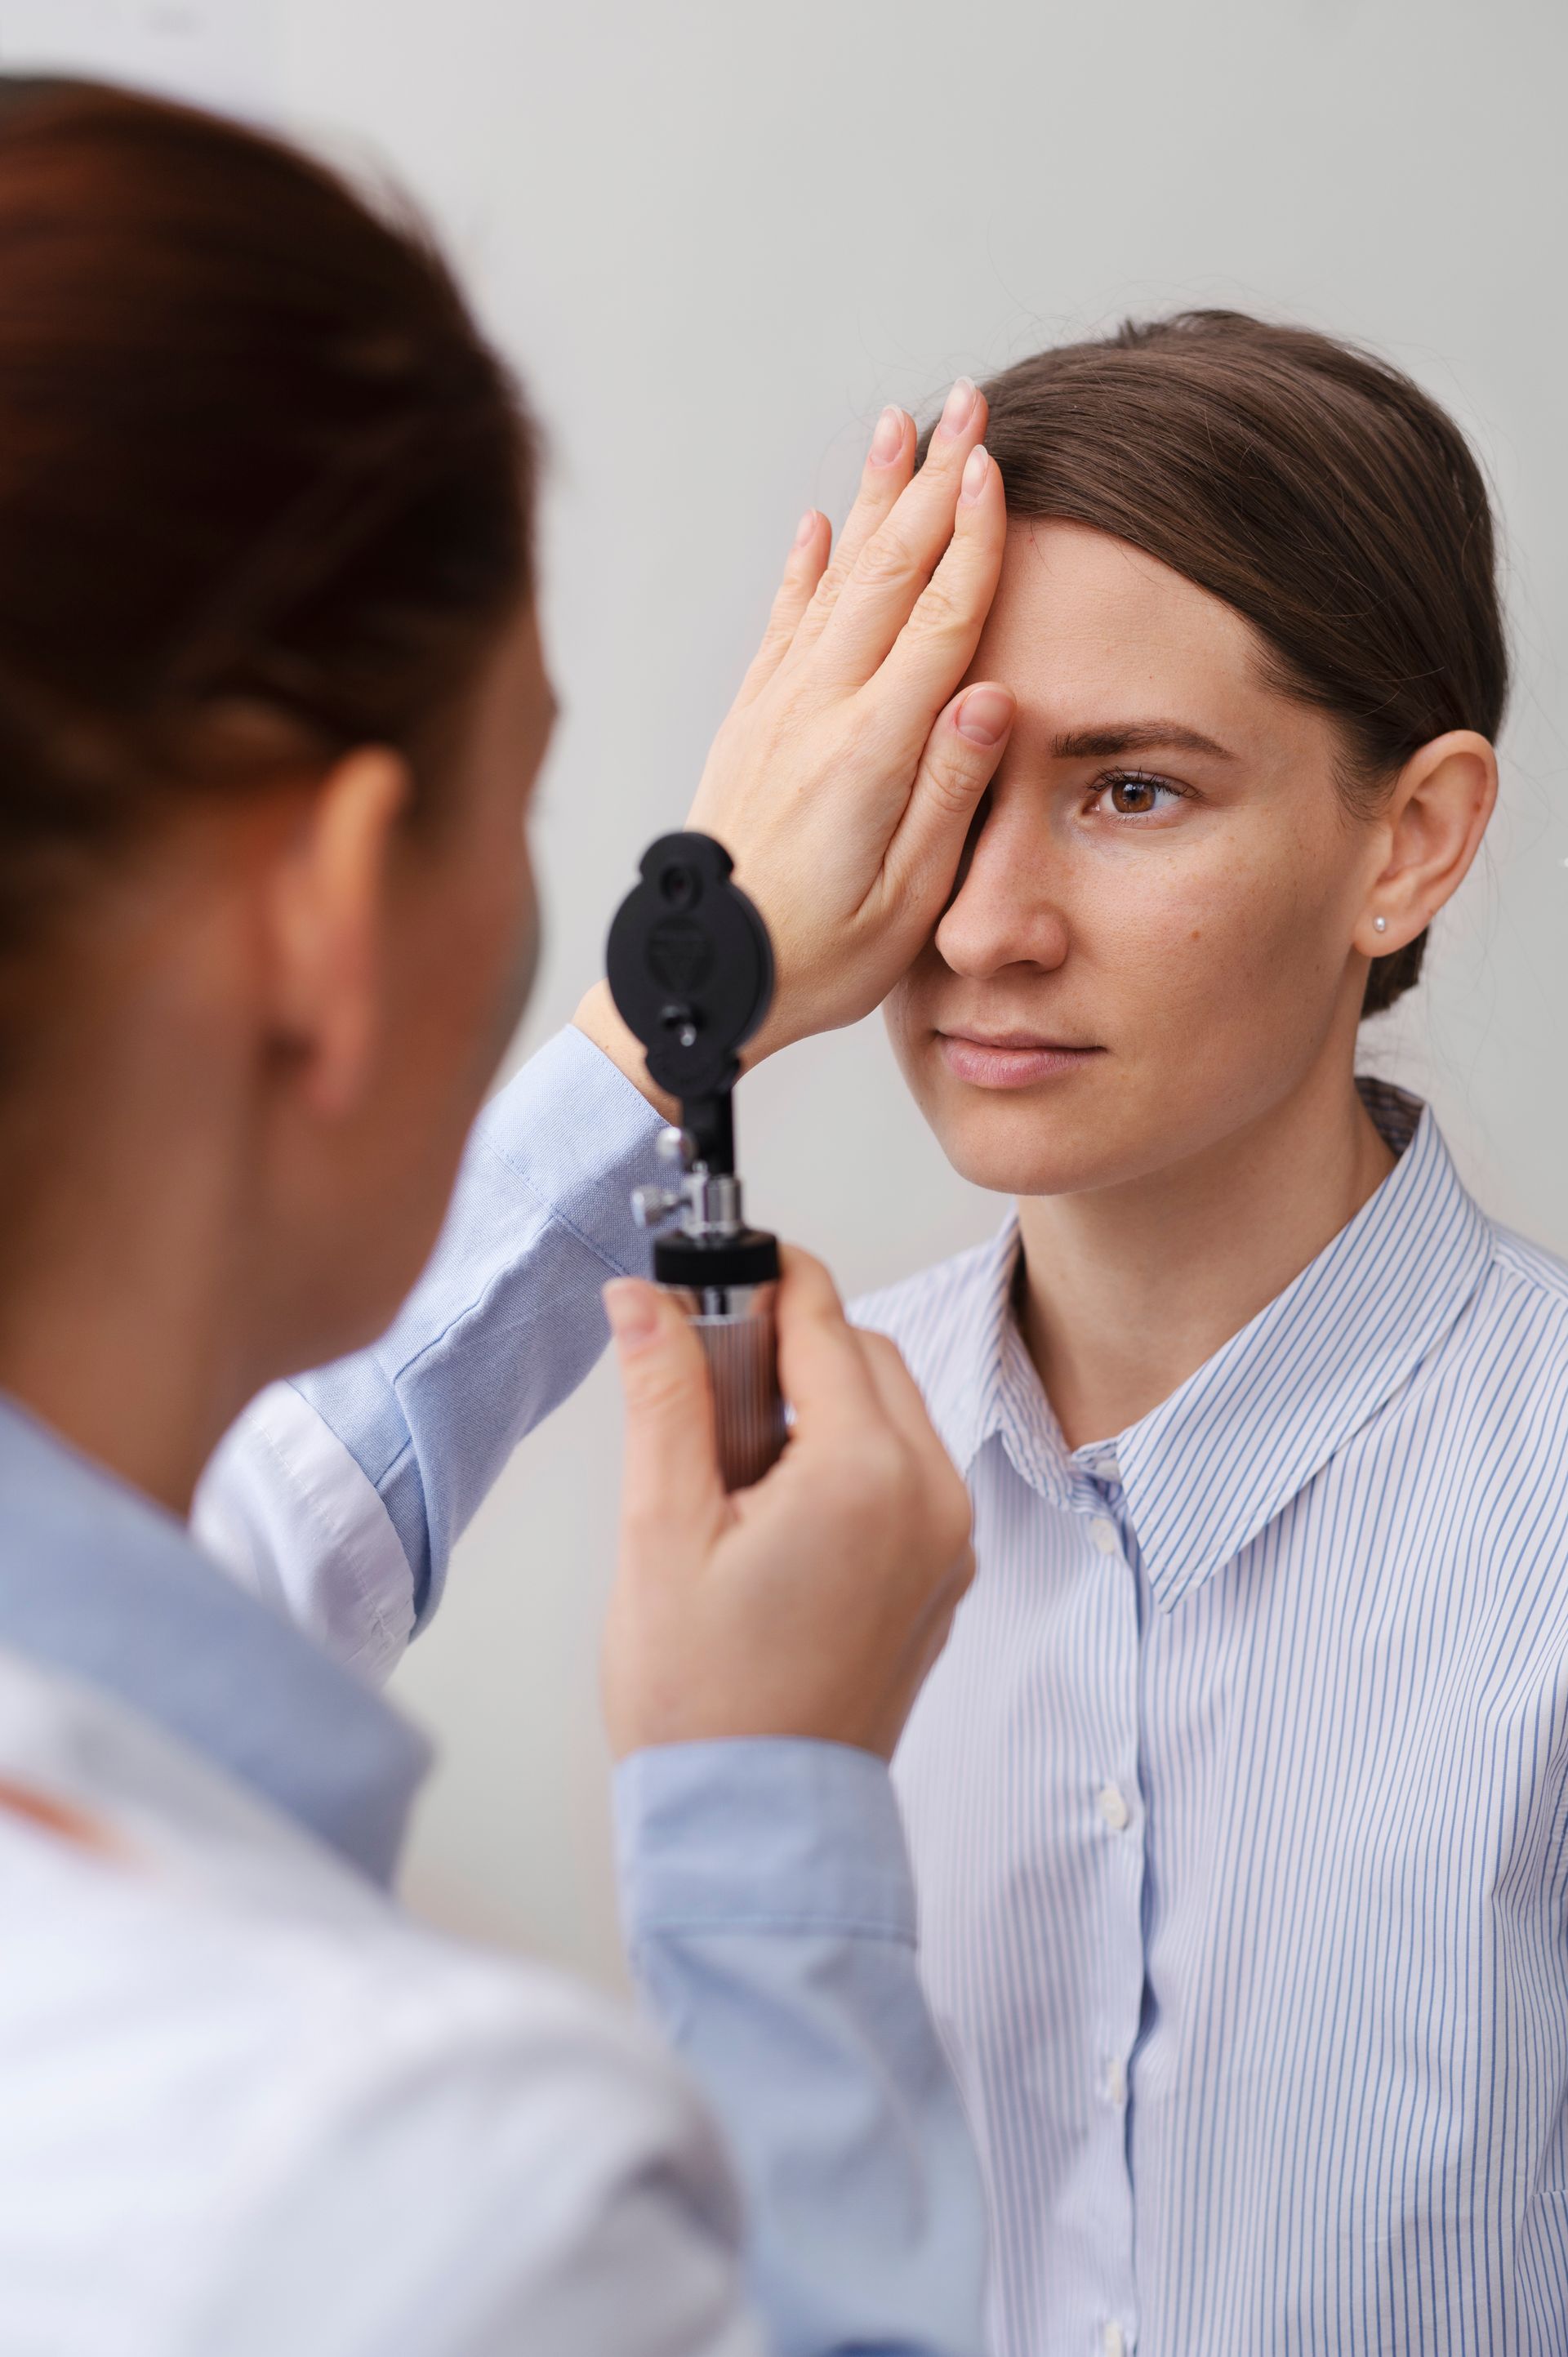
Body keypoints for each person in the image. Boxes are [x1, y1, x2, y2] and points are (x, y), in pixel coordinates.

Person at [212, 305, 1568, 2356]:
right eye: (935, 791)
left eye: (1131, 792)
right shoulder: (755, 1500)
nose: (979, 924)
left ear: (1414, 837)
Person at [0, 77, 1040, 2356]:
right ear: (340, 908)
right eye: (531, 783)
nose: (1009, 922)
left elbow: (249, 1513)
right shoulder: (411, 2199)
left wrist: (686, 1005)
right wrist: (769, 1825)